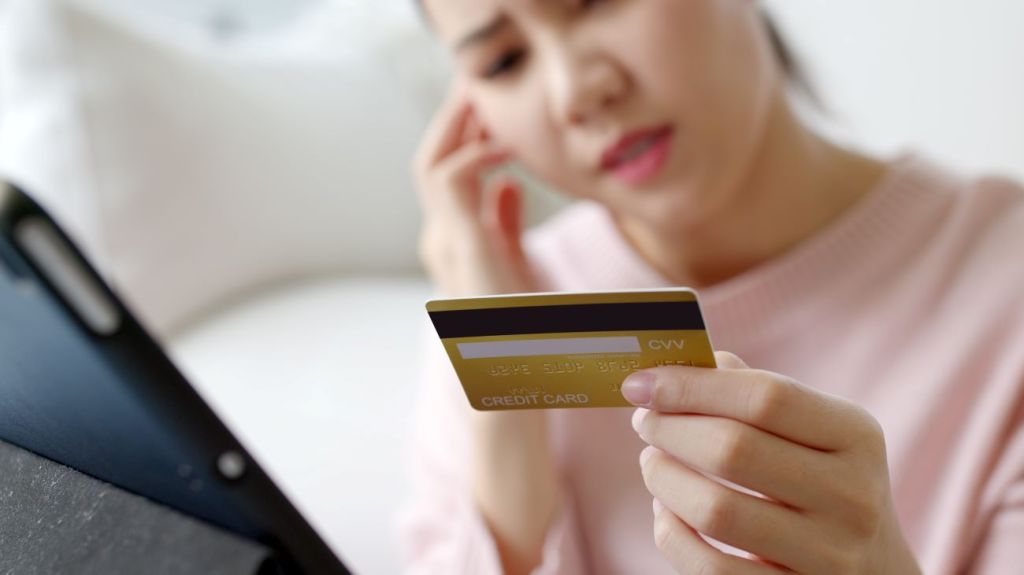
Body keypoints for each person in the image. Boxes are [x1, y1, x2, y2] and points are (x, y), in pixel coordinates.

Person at [400, 1, 1024, 573]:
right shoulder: (502, 305)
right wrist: (508, 409)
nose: (577, 92)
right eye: (503, 61)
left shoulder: (1003, 280)